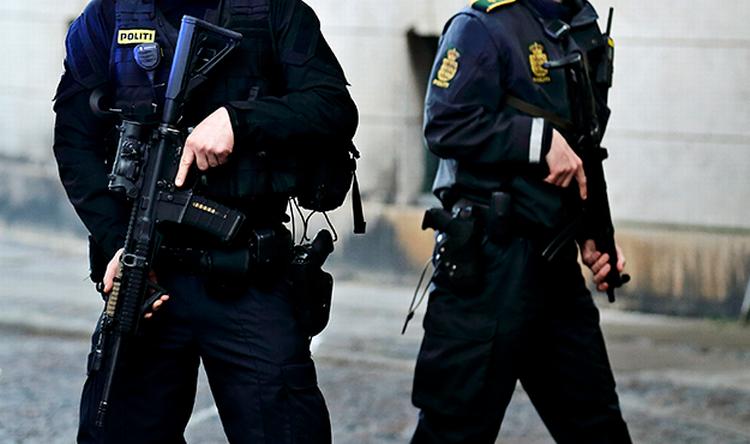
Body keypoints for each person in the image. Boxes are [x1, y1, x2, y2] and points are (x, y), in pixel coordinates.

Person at [53, 0, 357, 442]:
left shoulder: (273, 9)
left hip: (247, 276)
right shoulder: (109, 15)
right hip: (147, 279)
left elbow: (332, 106)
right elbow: (74, 142)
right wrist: (119, 242)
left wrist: (240, 120)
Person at [411, 0, 632, 442]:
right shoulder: (482, 26)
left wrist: (594, 232)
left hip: (555, 269)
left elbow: (585, 145)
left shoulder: (581, 26)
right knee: (453, 432)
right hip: (487, 271)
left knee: (598, 428)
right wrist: (537, 140)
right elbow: (445, 122)